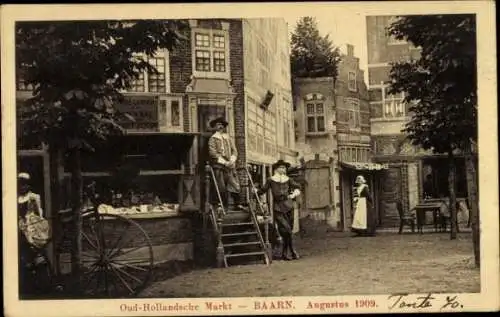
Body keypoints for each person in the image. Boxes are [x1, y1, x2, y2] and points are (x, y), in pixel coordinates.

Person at [255, 159, 301, 261]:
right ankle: (292, 250)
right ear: (276, 169)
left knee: (287, 231)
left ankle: (285, 253)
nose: (283, 169)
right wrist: (255, 191)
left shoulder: (288, 179)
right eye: (281, 167)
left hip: (289, 206)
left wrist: (293, 194)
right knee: (287, 230)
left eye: (284, 167)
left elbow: (298, 187)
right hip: (278, 207)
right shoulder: (271, 180)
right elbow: (263, 190)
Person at [17, 172, 51, 296]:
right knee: (25, 253)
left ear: (29, 185)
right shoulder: (16, 198)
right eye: (21, 185)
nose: (23, 187)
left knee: (36, 250)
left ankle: (42, 283)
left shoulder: (33, 197)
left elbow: (39, 213)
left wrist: (35, 222)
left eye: (25, 185)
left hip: (32, 225)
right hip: (20, 225)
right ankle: (29, 281)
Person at [207, 117, 243, 210]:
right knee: (221, 187)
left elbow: (234, 151)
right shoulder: (212, 139)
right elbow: (212, 153)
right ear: (214, 127)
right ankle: (224, 206)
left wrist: (232, 159)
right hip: (219, 166)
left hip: (230, 166)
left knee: (235, 185)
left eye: (222, 125)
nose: (220, 127)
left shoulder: (228, 138)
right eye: (218, 125)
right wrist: (224, 162)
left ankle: (238, 204)